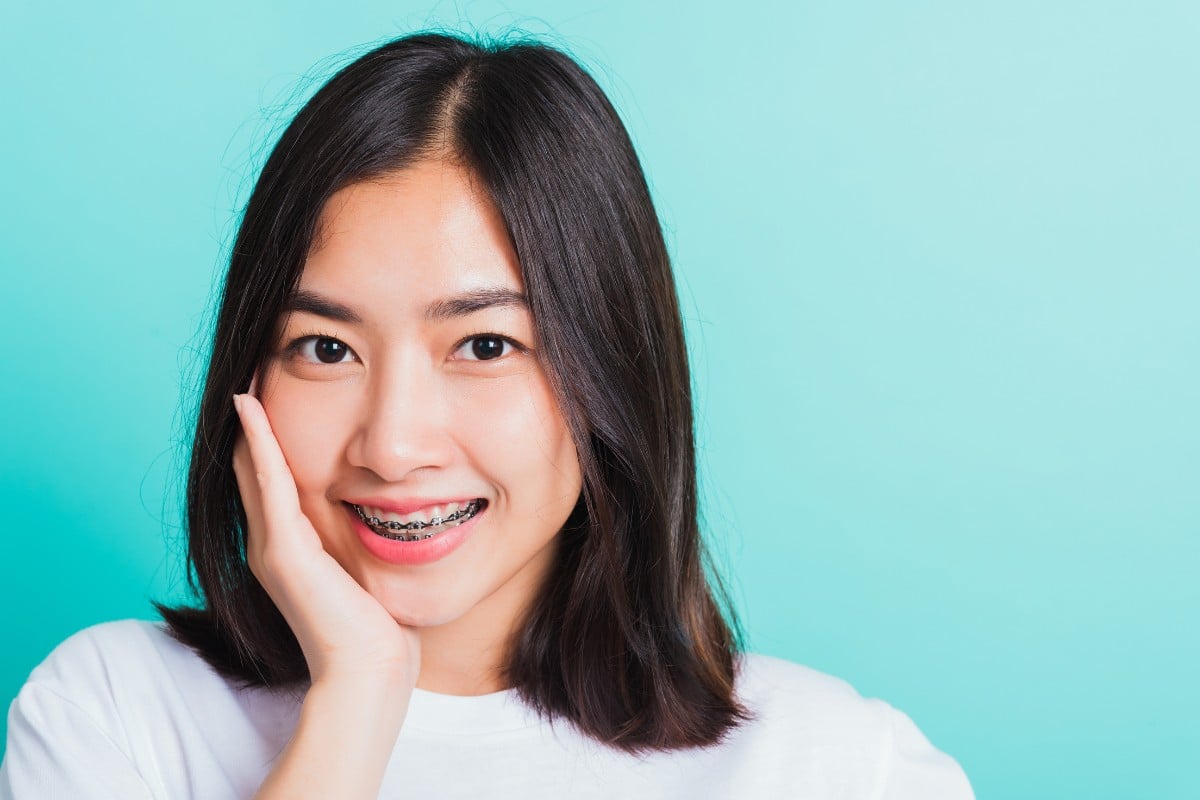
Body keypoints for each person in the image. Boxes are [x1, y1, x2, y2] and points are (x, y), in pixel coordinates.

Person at [0, 32, 973, 799]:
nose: (392, 444)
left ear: (608, 371)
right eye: (326, 348)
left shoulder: (839, 768)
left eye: (485, 345)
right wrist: (357, 697)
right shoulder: (115, 717)